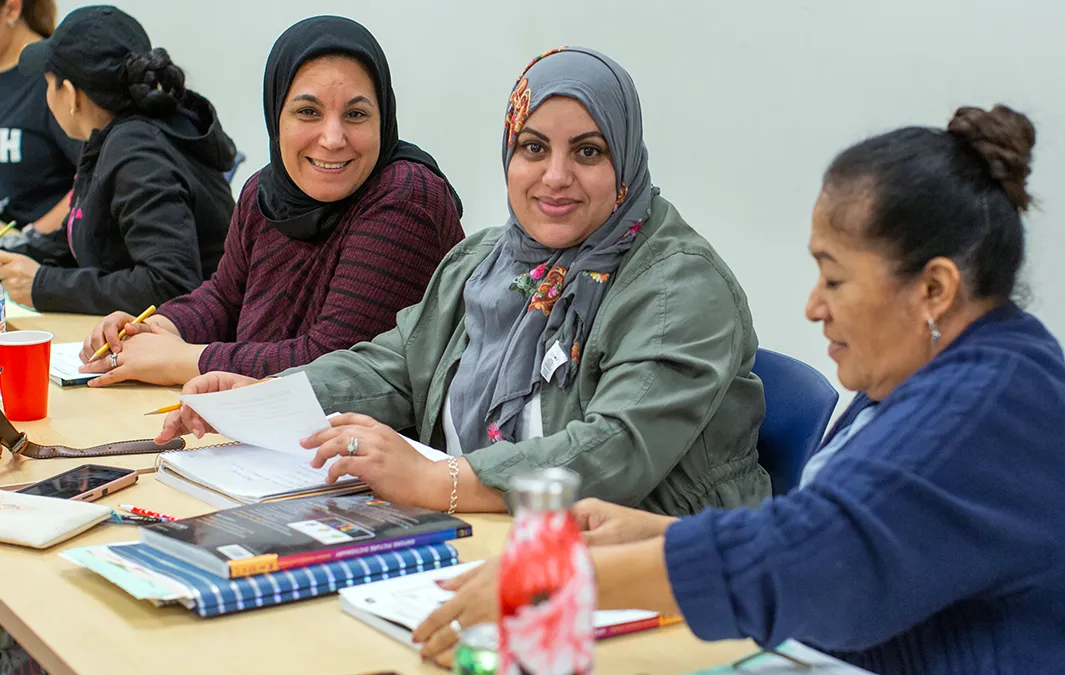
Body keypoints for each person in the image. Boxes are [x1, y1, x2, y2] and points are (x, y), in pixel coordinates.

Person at [413, 105, 1065, 674]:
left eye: (835, 276)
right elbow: (844, 534)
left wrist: (564, 576)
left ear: (935, 287)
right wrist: (663, 533)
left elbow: (814, 560)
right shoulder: (946, 371)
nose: (813, 306)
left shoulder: (986, 411)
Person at [157, 47, 771, 517]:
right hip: (485, 538)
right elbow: (392, 365)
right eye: (533, 148)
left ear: (627, 162)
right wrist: (267, 403)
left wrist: (442, 483)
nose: (555, 176)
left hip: (643, 571)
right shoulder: (488, 259)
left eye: (587, 152)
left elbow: (616, 450)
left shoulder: (680, 289)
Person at [76, 16, 464, 387]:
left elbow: (333, 361)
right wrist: (161, 327)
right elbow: (225, 297)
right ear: (275, 116)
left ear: (384, 118)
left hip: (367, 446)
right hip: (267, 432)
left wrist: (182, 359)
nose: (332, 138)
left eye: (356, 114)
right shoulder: (266, 191)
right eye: (308, 112)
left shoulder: (406, 195)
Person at [0, 5, 236, 314]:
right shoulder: (113, 136)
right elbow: (85, 229)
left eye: (48, 83)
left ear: (71, 95)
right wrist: (15, 253)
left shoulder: (138, 153)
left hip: (202, 341)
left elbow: (171, 283)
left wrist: (45, 284)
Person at [0, 0, 78, 242]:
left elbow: (98, 177)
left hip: (44, 264)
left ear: (12, 9)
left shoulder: (55, 78)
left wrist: (28, 240)